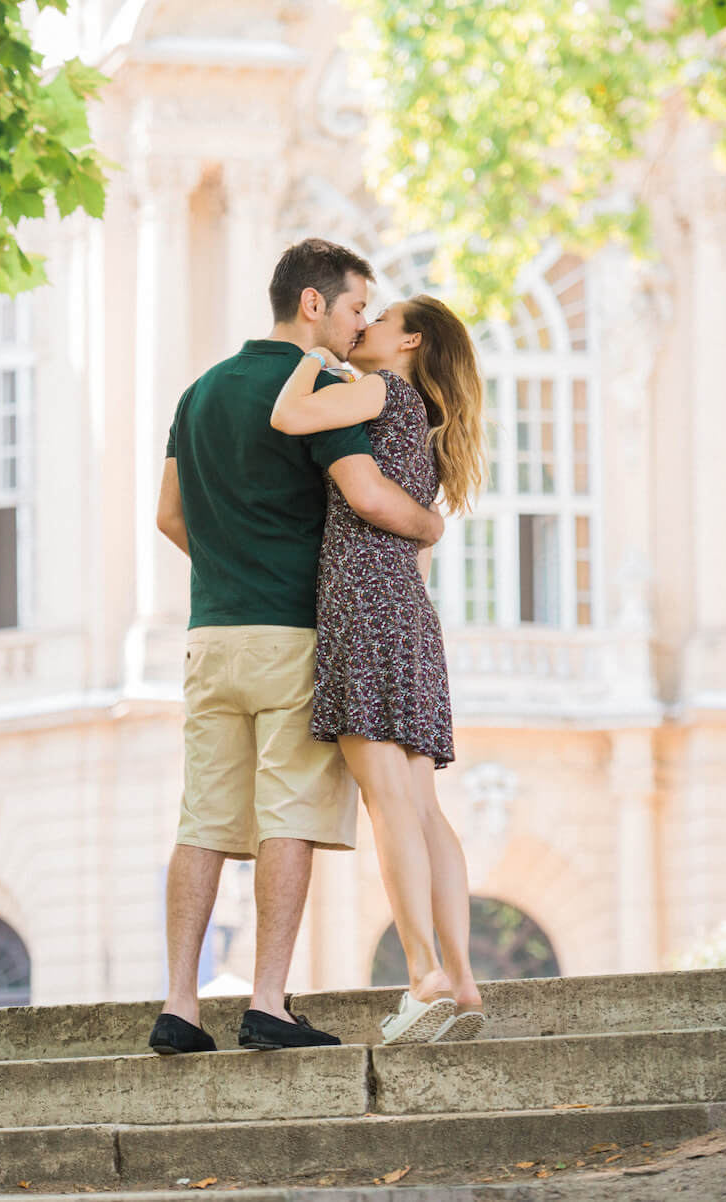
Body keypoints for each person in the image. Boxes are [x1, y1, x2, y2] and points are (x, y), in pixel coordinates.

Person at [149, 239, 445, 1054]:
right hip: (294, 636)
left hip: (211, 635)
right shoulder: (325, 386)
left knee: (204, 820)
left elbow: (170, 518)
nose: (359, 327)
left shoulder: (199, 394)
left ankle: (179, 1004)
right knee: (290, 817)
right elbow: (365, 493)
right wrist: (430, 523)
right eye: (355, 308)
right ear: (312, 305)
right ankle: (268, 1004)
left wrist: (229, 570)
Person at [269, 294, 488, 1044]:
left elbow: (289, 418)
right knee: (422, 807)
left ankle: (423, 971)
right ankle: (460, 980)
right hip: (409, 613)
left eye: (381, 318)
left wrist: (313, 359)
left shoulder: (381, 389)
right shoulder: (428, 422)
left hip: (363, 609)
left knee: (389, 803)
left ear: (410, 340)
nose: (365, 327)